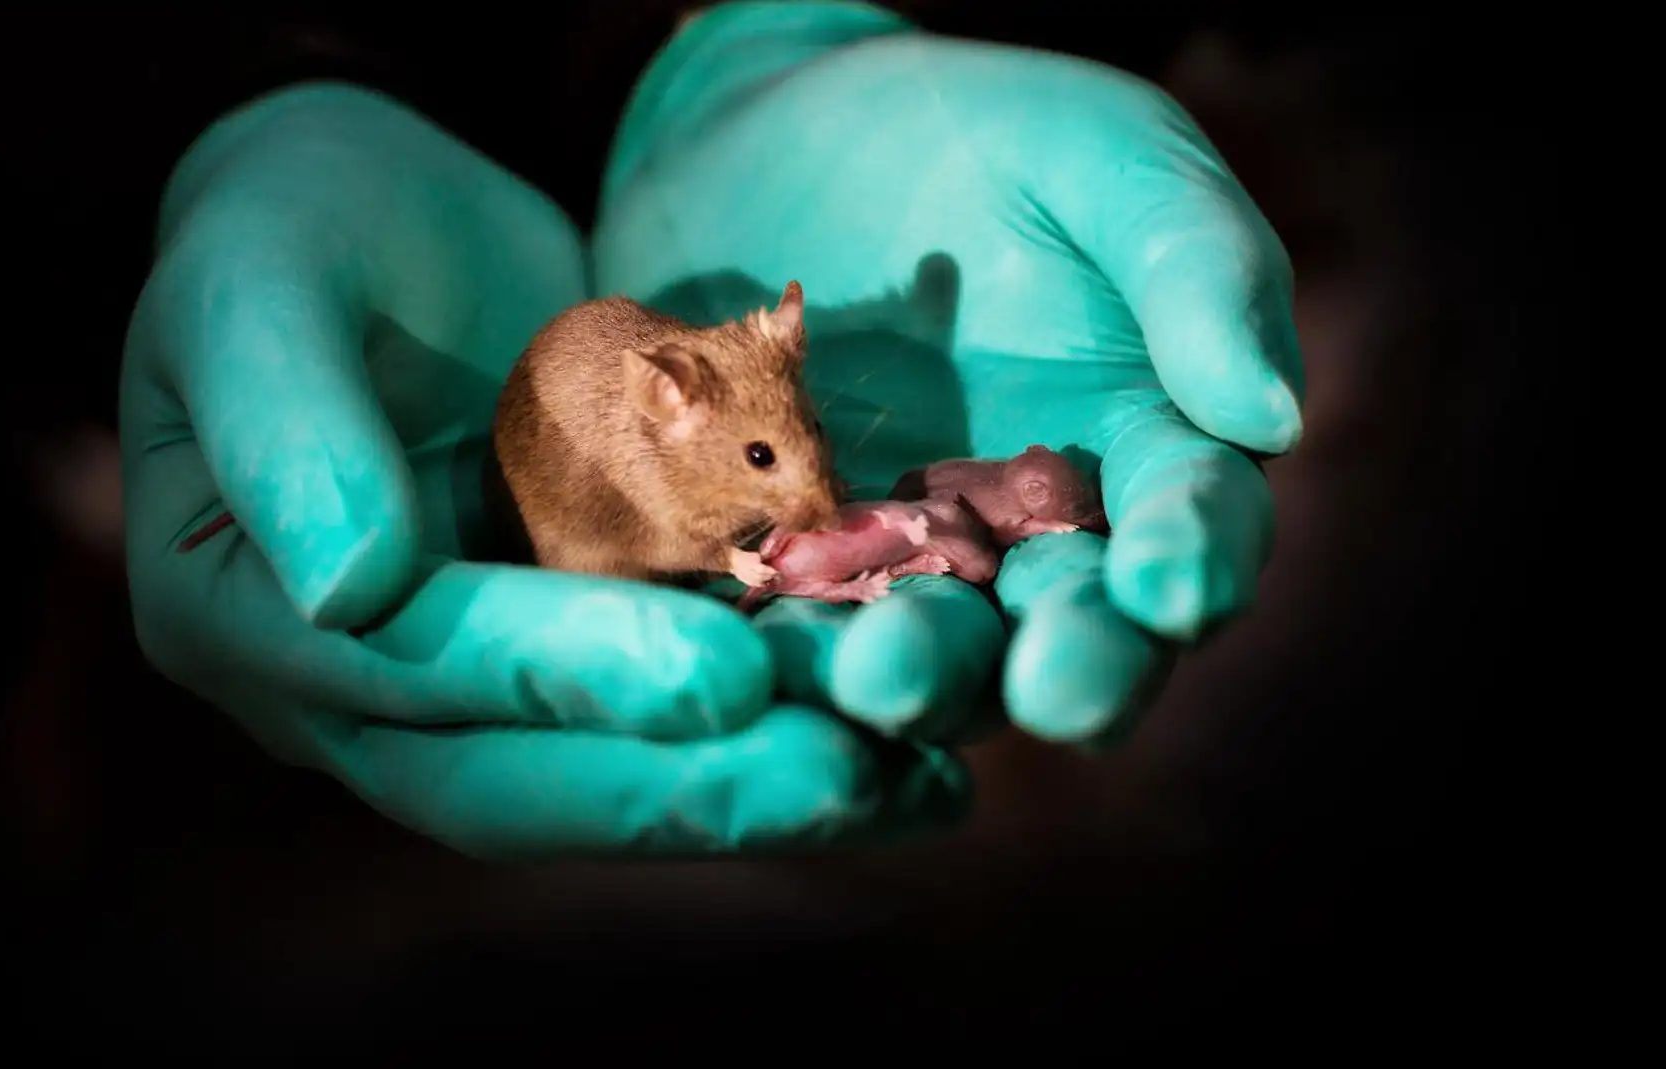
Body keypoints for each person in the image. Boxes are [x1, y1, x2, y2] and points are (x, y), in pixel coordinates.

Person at [119, 0, 1303, 860]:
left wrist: (737, 39)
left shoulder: (751, 370)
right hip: (593, 515)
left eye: (799, 448)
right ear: (672, 402)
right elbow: (694, 509)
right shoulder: (662, 436)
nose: (810, 483)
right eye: (761, 460)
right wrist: (273, 77)